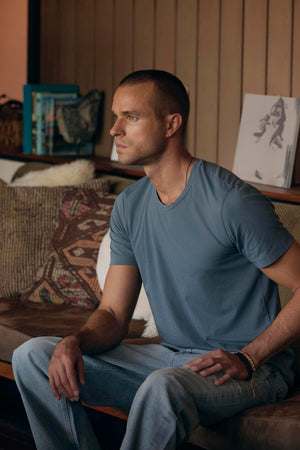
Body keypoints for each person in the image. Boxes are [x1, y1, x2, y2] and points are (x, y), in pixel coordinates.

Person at [12, 70, 300, 450]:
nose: (114, 129)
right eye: (116, 116)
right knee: (33, 356)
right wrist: (74, 341)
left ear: (171, 124)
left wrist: (249, 357)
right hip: (174, 358)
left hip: (249, 369)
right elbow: (114, 315)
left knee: (163, 386)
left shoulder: (230, 201)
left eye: (131, 117)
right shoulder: (131, 205)